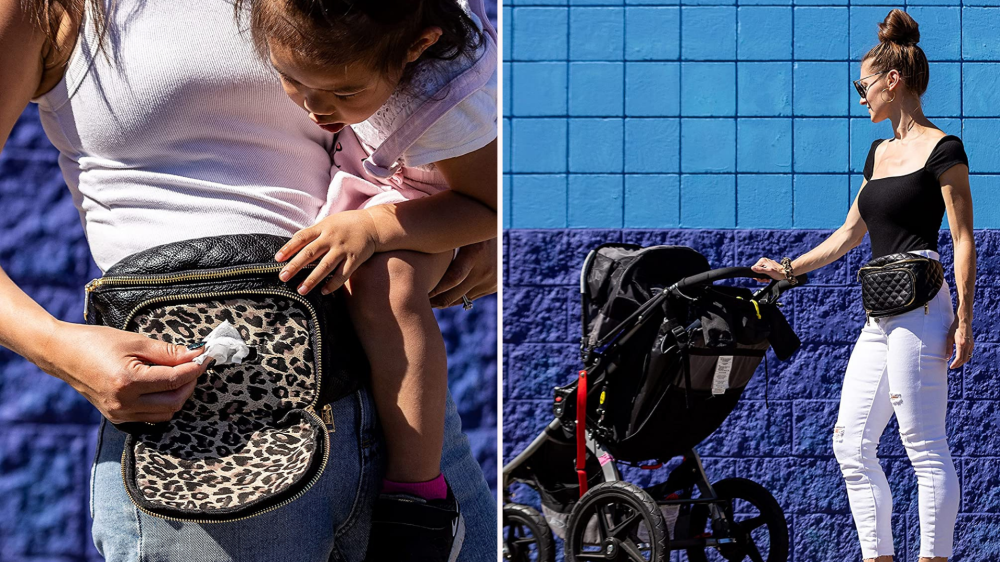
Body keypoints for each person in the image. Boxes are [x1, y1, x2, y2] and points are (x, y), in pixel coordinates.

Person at [0, 0, 497, 561]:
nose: (315, 108)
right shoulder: (46, 9)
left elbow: (473, 138)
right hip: (208, 442)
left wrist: (473, 225)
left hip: (403, 428)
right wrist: (53, 345)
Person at [236, 0, 497, 559]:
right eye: (292, 81)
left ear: (416, 47)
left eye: (343, 93)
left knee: (387, 285)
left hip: (437, 197)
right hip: (383, 178)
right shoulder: (343, 38)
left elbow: (494, 204)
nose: (314, 108)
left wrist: (377, 227)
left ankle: (421, 496)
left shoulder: (449, 102)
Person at [752, 10, 974, 562]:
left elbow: (964, 238)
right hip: (880, 313)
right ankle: (879, 556)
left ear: (891, 82)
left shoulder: (945, 149)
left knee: (923, 447)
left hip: (923, 309)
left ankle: (933, 557)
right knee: (850, 443)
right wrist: (789, 268)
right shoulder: (878, 155)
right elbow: (850, 233)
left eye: (863, 85)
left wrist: (966, 319)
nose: (860, 98)